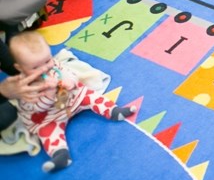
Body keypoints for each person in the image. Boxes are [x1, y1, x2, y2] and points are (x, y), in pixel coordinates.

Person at [8, 31, 136, 172]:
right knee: (48, 132)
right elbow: (35, 108)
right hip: (49, 117)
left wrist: (70, 81)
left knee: (88, 94)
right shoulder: (24, 87)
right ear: (20, 68)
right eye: (36, 67)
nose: (45, 68)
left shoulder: (54, 65)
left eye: (47, 61)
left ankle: (113, 110)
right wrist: (49, 95)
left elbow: (69, 73)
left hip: (72, 100)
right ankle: (60, 155)